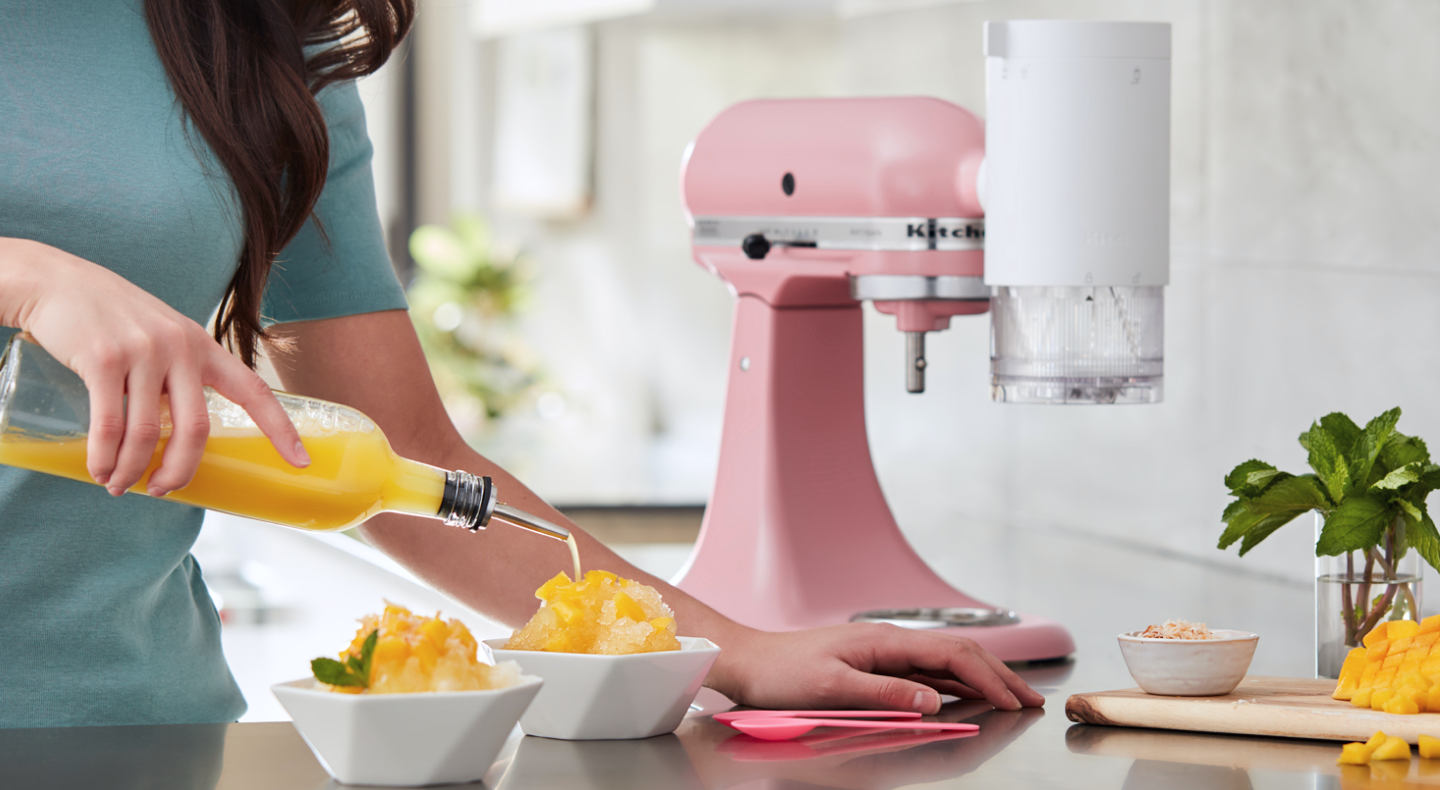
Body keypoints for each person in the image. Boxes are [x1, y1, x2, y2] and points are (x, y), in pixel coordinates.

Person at [0, 0, 1043, 728]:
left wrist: (729, 649)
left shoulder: (260, 39)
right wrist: (25, 278)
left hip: (138, 727)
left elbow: (404, 460)